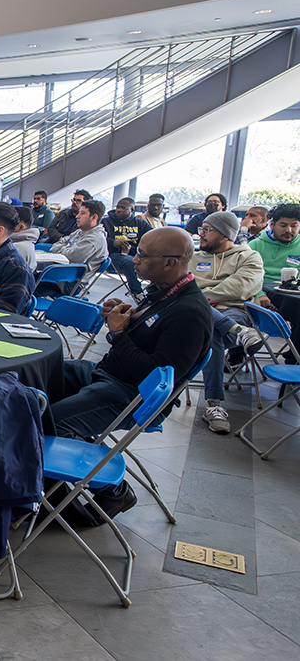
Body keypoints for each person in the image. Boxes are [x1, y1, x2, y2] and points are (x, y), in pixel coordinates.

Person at [50, 228, 212, 517]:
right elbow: (145, 333)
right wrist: (123, 315)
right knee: (42, 378)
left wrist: (118, 334)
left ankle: (110, 492)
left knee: (48, 422)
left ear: (170, 263)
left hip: (131, 395)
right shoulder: (164, 292)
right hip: (107, 375)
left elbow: (153, 374)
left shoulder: (190, 313)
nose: (134, 260)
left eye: (143, 255)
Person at [190, 211, 265, 433]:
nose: (200, 234)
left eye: (207, 230)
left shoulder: (249, 257)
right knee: (208, 326)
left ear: (225, 234)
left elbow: (240, 287)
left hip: (234, 311)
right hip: (195, 316)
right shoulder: (193, 258)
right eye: (201, 229)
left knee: (210, 327)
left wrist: (197, 297)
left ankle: (213, 404)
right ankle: (214, 405)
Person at [251, 204, 300, 362]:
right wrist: (259, 294)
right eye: (284, 225)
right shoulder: (256, 245)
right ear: (272, 225)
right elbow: (246, 277)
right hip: (261, 291)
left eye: (294, 226)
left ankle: (294, 358)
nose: (289, 230)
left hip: (293, 294)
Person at [49, 199, 108, 286]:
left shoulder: (95, 239)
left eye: (82, 213)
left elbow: (71, 257)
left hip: (72, 282)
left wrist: (65, 248)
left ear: (94, 217)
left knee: (29, 282)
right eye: (79, 212)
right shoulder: (80, 231)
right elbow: (54, 247)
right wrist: (67, 249)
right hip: (63, 274)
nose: (77, 216)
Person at [102, 197, 153, 300]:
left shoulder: (140, 224)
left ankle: (154, 291)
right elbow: (98, 239)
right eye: (118, 207)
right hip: (112, 257)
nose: (119, 210)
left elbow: (153, 237)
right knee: (129, 262)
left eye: (123, 208)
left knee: (158, 261)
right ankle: (137, 293)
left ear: (132, 210)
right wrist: (113, 242)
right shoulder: (106, 222)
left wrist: (138, 250)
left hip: (136, 254)